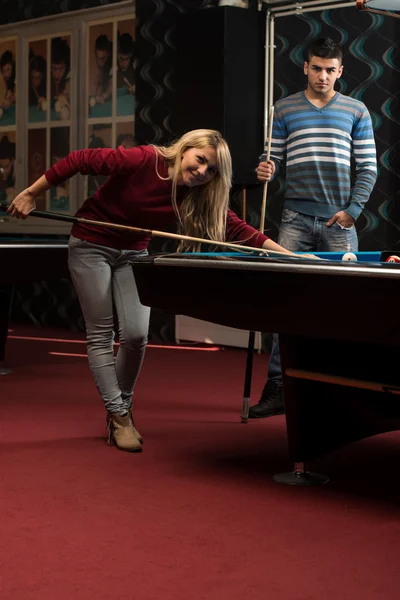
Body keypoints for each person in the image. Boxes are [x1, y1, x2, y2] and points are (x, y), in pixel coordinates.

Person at [7, 129, 296, 453]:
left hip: (133, 253)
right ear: (185, 149)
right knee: (101, 333)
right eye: (200, 160)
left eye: (211, 169)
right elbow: (80, 160)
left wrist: (288, 254)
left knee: (135, 335)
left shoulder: (196, 192)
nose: (202, 172)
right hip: (90, 245)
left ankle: (122, 406)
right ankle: (119, 417)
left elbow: (235, 227)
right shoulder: (144, 159)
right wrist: (31, 194)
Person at [249, 37, 377, 419]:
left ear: (340, 72)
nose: (323, 76)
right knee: (283, 304)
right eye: (316, 68)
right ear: (305, 67)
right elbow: (271, 159)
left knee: (343, 307)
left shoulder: (356, 110)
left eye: (330, 70)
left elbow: (368, 167)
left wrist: (352, 210)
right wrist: (263, 168)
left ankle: (339, 392)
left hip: (339, 222)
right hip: (294, 220)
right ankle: (278, 389)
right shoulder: (284, 108)